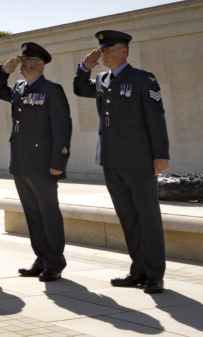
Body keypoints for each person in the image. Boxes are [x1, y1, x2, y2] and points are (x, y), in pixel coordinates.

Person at [74, 30, 170, 295]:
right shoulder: (103, 79)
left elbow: (155, 117)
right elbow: (80, 88)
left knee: (147, 217)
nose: (102, 54)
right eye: (100, 50)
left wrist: (161, 155)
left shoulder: (142, 79)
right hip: (111, 159)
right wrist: (85, 67)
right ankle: (137, 270)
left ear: (123, 52)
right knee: (128, 217)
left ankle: (154, 274)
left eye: (107, 50)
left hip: (138, 160)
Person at [0, 42, 72, 281]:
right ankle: (41, 258)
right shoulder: (17, 87)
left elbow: (63, 127)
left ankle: (55, 262)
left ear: (40, 64)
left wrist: (59, 161)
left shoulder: (52, 90)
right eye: (21, 60)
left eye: (26, 61)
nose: (22, 65)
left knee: (48, 213)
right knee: (32, 214)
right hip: (20, 160)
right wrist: (3, 71)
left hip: (42, 162)